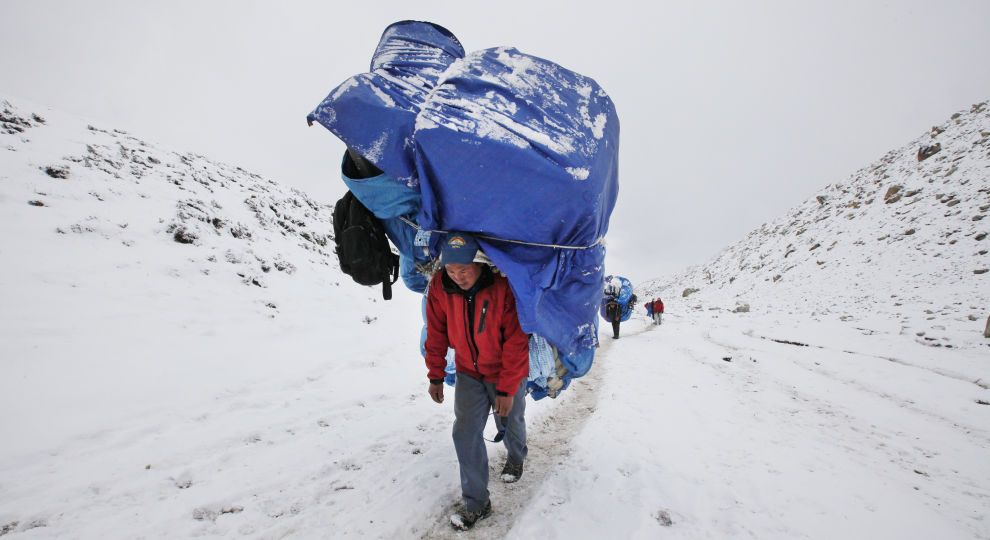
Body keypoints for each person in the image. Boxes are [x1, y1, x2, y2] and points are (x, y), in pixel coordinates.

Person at [424, 232, 530, 531]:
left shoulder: (503, 289)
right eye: (451, 270)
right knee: (465, 432)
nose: (458, 277)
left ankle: (516, 456)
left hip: (504, 370)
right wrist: (435, 375)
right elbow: (436, 334)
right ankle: (477, 503)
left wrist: (507, 389)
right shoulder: (440, 288)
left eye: (464, 270)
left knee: (510, 421)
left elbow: (516, 341)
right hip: (469, 373)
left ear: (480, 264)